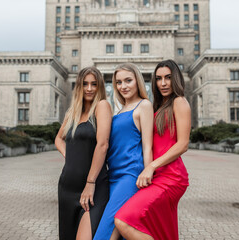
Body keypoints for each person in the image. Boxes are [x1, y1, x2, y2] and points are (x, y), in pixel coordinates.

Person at [114, 59, 191, 240]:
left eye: (168, 78)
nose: (163, 83)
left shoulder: (179, 102)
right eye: (158, 78)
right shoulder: (156, 107)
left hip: (171, 177)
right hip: (157, 175)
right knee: (158, 228)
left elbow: (183, 144)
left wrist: (151, 167)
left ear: (176, 79)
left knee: (123, 220)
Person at [93, 63, 154, 240]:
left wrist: (148, 175)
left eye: (128, 80)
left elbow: (147, 146)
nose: (123, 86)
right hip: (112, 176)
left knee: (105, 232)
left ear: (138, 81)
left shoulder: (144, 105)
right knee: (118, 234)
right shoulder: (118, 111)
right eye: (119, 82)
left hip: (130, 175)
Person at [55, 66, 112, 240]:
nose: (89, 88)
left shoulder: (102, 106)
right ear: (79, 86)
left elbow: (103, 145)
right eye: (85, 84)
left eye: (94, 84)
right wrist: (69, 156)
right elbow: (58, 139)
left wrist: (90, 182)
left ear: (100, 86)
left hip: (93, 187)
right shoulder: (72, 112)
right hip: (67, 187)